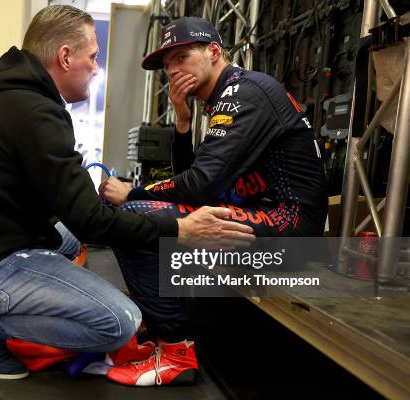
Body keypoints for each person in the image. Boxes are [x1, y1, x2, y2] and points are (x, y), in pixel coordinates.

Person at [0, 6, 254, 383]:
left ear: (214, 53)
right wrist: (180, 228)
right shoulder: (36, 114)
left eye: (182, 58)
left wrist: (177, 130)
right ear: (65, 57)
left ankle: (13, 302)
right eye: (94, 57)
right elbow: (93, 221)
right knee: (120, 322)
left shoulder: (6, 92)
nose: (97, 68)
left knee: (73, 237)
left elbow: (64, 201)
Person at [99, 17, 328, 386]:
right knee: (146, 217)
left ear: (214, 52)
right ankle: (164, 335)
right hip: (259, 216)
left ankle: (174, 351)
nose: (172, 69)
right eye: (167, 63)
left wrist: (133, 192)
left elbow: (198, 185)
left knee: (135, 214)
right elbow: (195, 178)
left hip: (289, 229)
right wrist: (182, 118)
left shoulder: (244, 93)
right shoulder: (224, 97)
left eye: (182, 56)